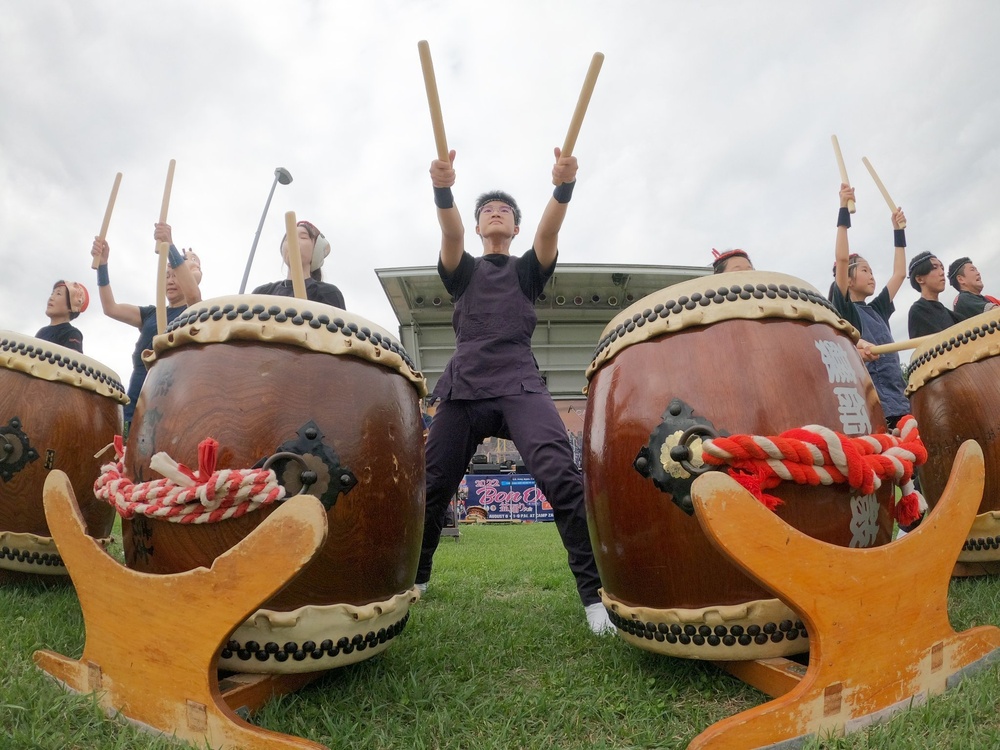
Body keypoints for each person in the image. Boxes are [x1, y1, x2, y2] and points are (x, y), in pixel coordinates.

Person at [416, 146, 613, 636]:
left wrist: (562, 184)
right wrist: (443, 186)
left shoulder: (527, 271)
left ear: (515, 227)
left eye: (504, 209)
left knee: (562, 480)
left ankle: (594, 600)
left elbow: (550, 232)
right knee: (433, 486)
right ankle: (413, 582)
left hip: (520, 383)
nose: (494, 212)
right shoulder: (463, 270)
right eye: (486, 210)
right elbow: (450, 231)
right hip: (463, 388)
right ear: (481, 227)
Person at [91, 223, 202, 431]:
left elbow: (194, 294)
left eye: (176, 275)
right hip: (135, 398)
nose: (170, 280)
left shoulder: (193, 311)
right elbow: (110, 307)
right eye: (166, 275)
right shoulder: (151, 314)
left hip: (168, 399)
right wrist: (103, 266)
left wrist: (169, 246)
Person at [827, 184, 909, 428]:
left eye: (872, 271)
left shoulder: (878, 309)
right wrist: (843, 208)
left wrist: (898, 231)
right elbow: (842, 259)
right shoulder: (844, 309)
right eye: (865, 270)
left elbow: (900, 274)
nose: (872, 276)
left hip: (901, 402)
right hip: (872, 406)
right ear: (849, 279)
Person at [252, 220, 345, 308]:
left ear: (316, 249)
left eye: (303, 237)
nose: (293, 241)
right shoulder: (263, 293)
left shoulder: (328, 293)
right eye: (288, 238)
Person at [907, 250, 962, 338]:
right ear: (920, 279)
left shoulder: (950, 314)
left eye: (942, 268)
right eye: (935, 268)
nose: (942, 272)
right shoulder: (918, 310)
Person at [36, 280, 89, 352]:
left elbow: (72, 361)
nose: (51, 298)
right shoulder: (42, 332)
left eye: (58, 294)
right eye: (52, 294)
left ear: (71, 307)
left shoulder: (72, 333)